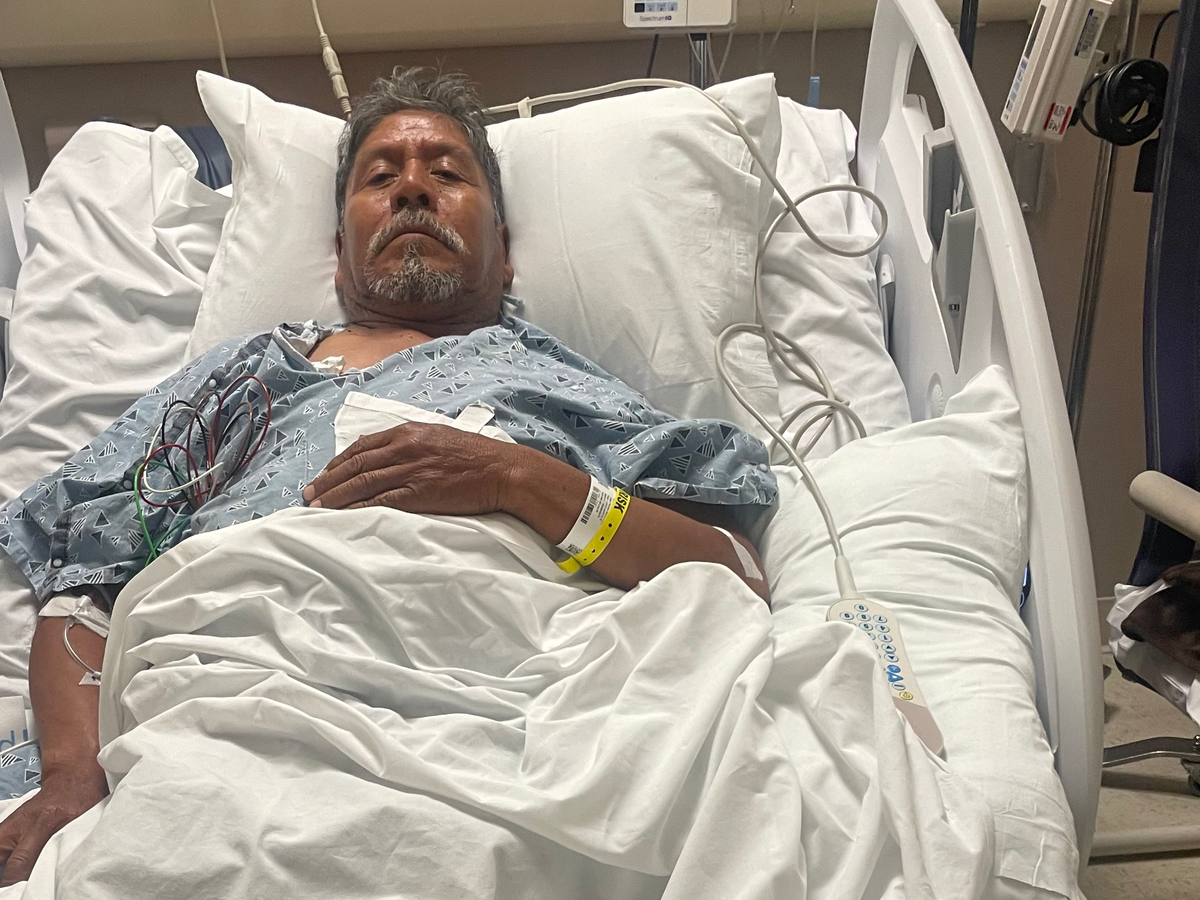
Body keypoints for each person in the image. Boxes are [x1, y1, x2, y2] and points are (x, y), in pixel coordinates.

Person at [0, 67, 776, 884]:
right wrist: (73, 777)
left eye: (446, 173)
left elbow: (731, 572)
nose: (412, 189)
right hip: (240, 702)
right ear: (340, 259)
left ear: (506, 253)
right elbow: (85, 586)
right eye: (380, 178)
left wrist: (518, 480)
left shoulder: (570, 387)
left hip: (515, 715)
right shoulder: (246, 380)